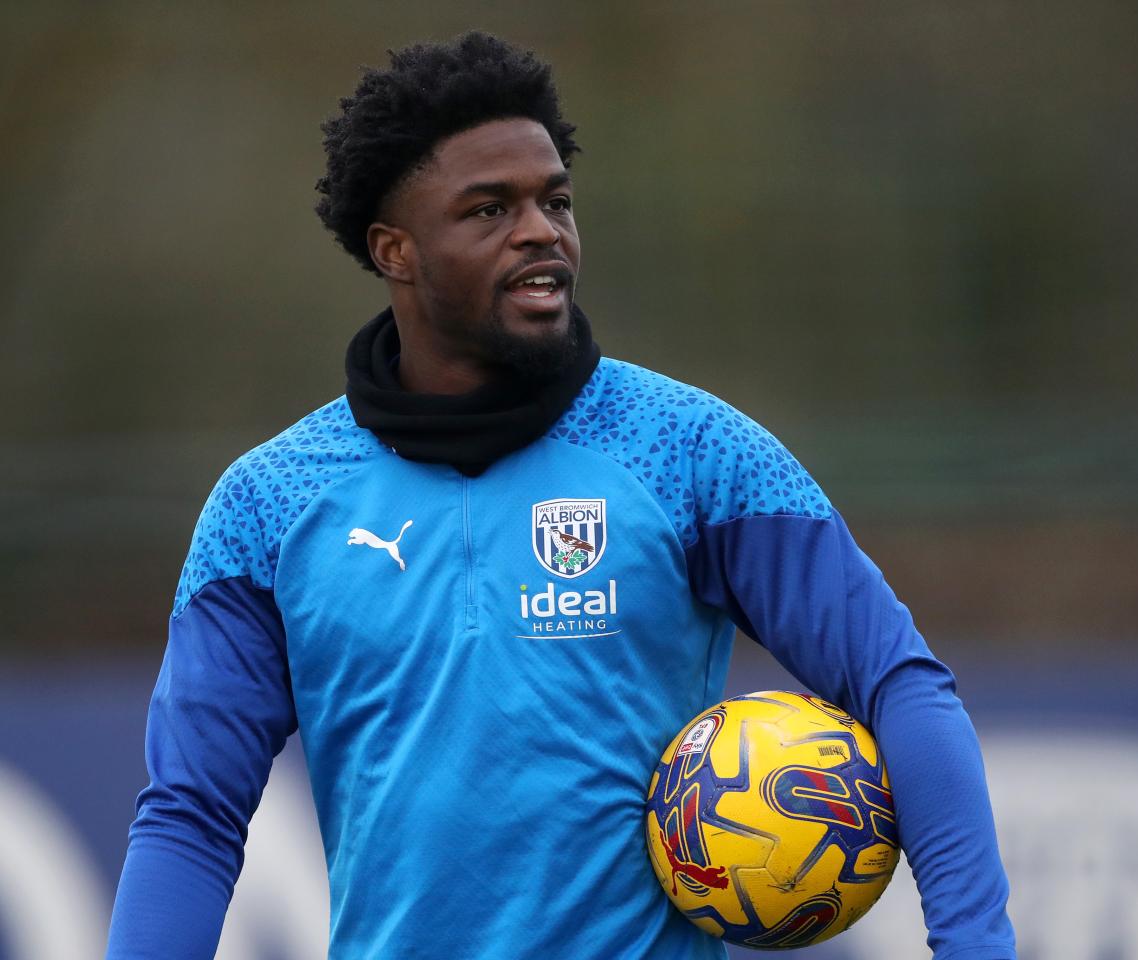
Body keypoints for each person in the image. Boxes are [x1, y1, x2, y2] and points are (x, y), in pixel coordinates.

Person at [106, 32, 1016, 960]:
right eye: (490, 209)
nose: (541, 229)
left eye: (556, 200)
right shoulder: (270, 503)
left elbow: (900, 681)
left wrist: (977, 943)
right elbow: (191, 814)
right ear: (396, 251)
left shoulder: (692, 449)